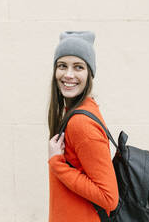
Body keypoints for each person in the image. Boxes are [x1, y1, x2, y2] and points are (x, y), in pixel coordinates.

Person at [47, 31, 119, 222]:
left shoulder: (81, 124)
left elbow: (109, 198)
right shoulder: (78, 109)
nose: (68, 74)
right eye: (62, 66)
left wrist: (57, 163)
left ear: (89, 73)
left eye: (78, 67)